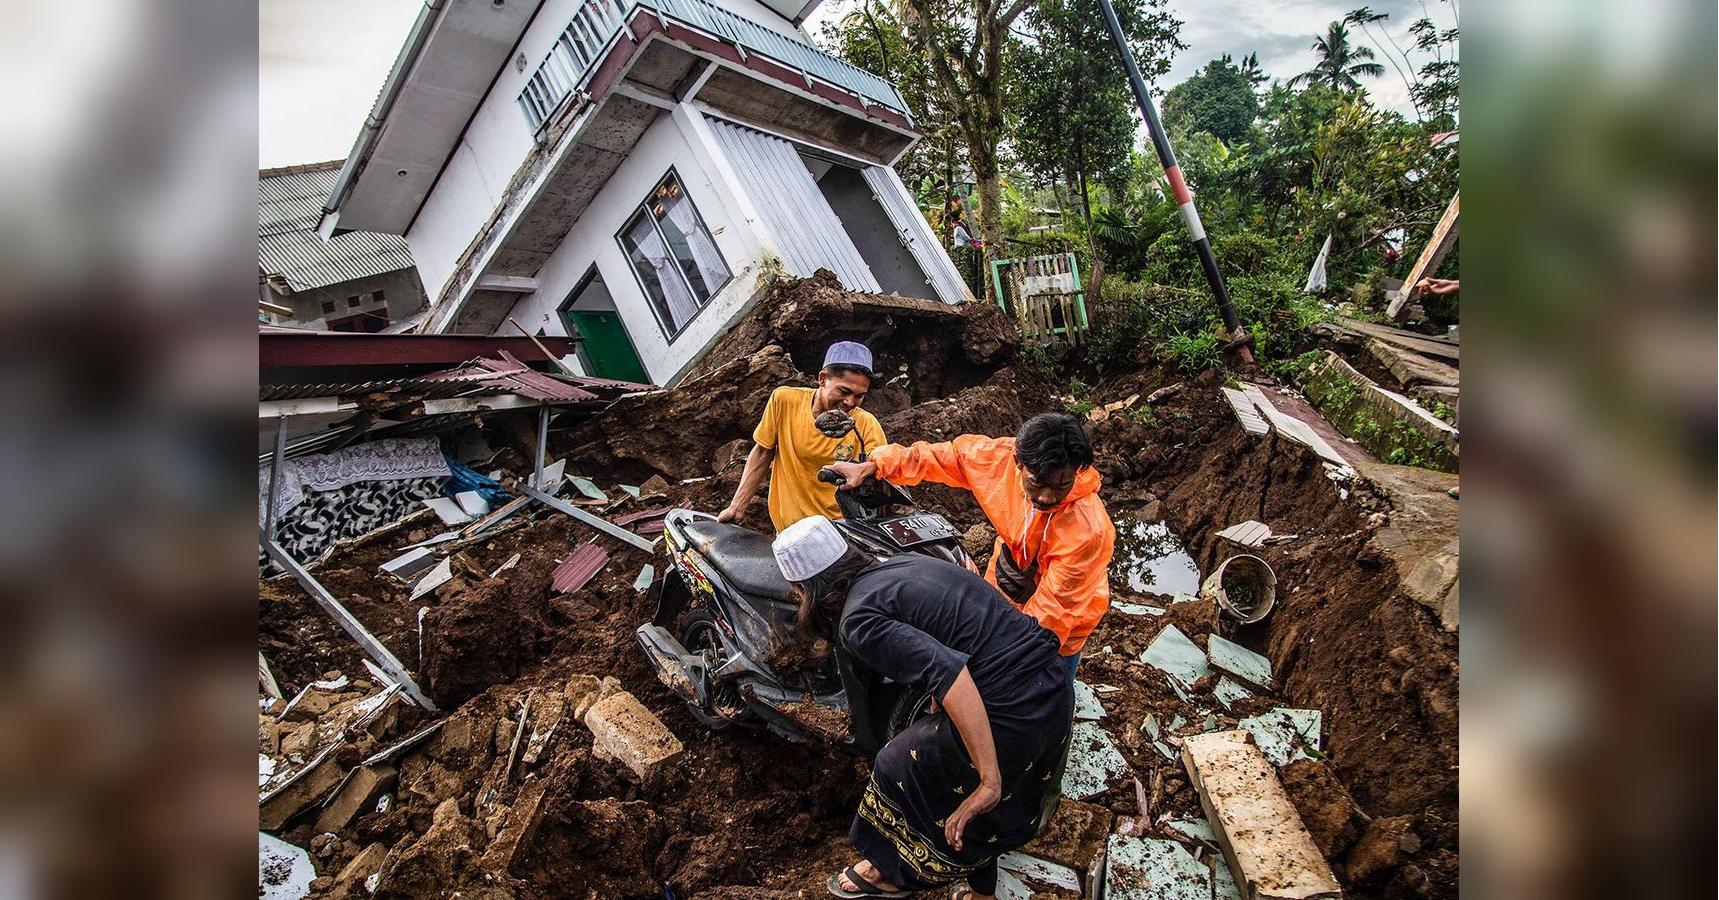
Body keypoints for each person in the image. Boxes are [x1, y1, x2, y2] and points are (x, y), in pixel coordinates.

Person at [771, 516, 1072, 900]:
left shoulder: (858, 620)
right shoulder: (900, 564)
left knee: (896, 763)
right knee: (960, 780)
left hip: (1012, 710)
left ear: (806, 590)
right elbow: (956, 641)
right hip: (1052, 688)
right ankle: (983, 893)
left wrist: (989, 779)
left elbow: (952, 674)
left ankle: (889, 870)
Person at [822, 413, 1114, 680]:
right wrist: (875, 465)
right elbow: (948, 456)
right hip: (1007, 581)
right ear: (1018, 462)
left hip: (1061, 624)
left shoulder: (1087, 531)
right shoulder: (998, 460)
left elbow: (1053, 615)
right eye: (1038, 483)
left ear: (1077, 471)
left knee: (1044, 685)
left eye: (1062, 486)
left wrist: (1003, 658)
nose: (1048, 497)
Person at [718, 341, 886, 532]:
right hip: (789, 531)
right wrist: (737, 507)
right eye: (844, 391)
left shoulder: (865, 424)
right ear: (822, 379)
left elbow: (881, 469)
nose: (850, 402)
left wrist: (866, 470)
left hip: (839, 532)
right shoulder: (785, 401)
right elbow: (763, 452)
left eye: (859, 396)